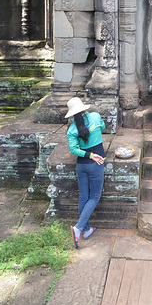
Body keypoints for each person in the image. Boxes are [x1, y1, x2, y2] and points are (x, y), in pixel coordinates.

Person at [65, 96, 105, 249]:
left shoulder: (72, 130)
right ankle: (79, 228)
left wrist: (87, 154)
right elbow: (101, 127)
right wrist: (93, 155)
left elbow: (73, 149)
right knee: (94, 197)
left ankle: (87, 230)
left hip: (82, 165)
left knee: (84, 197)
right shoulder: (95, 116)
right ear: (84, 108)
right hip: (96, 163)